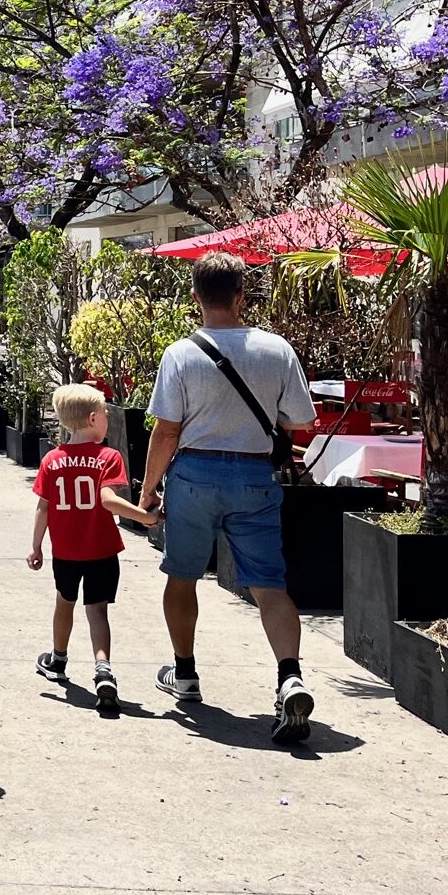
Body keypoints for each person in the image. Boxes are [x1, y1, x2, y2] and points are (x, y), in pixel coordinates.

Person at [139, 251, 320, 744]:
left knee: (182, 576)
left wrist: (149, 488)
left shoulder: (181, 353)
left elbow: (166, 430)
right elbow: (301, 421)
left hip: (194, 473)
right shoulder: (275, 349)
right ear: (242, 296)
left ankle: (186, 673)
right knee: (269, 585)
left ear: (195, 297)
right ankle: (289, 677)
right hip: (254, 476)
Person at [29, 384, 159, 709]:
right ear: (92, 419)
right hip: (102, 551)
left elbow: (43, 507)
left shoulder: (51, 460)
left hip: (66, 553)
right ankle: (103, 670)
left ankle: (58, 659)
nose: (107, 420)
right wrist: (145, 517)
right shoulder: (108, 458)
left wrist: (36, 547)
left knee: (65, 603)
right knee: (97, 611)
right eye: (104, 414)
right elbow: (108, 499)